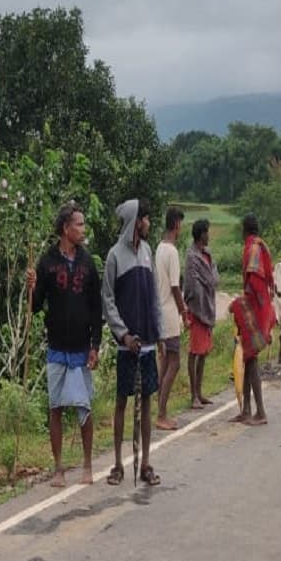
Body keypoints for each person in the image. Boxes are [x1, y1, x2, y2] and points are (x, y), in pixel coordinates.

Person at [26, 202, 103, 487]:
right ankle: (58, 468)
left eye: (83, 224)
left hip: (82, 347)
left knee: (83, 407)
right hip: (57, 347)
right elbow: (33, 308)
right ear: (65, 228)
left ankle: (87, 465)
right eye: (79, 224)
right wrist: (31, 288)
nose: (83, 229)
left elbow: (96, 307)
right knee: (55, 406)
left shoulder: (87, 263)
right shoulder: (46, 262)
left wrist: (96, 344)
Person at [101, 199, 162, 486]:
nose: (149, 223)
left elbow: (154, 296)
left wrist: (158, 332)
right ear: (136, 221)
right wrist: (123, 333)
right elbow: (108, 300)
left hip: (148, 341)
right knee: (122, 402)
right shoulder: (114, 256)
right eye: (146, 218)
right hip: (127, 344)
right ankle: (117, 464)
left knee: (147, 401)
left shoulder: (148, 252)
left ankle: (146, 463)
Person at [229, 214, 274, 426]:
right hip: (261, 308)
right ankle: (246, 409)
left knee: (252, 359)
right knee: (247, 357)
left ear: (244, 230)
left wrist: (245, 306)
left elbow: (255, 284)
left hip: (255, 311)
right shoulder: (260, 245)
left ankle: (261, 412)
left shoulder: (252, 248)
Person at [154, 207, 189, 430]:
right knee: (174, 363)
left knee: (164, 362)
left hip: (160, 312)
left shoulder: (158, 248)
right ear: (176, 224)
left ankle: (160, 410)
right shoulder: (173, 252)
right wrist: (184, 313)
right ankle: (161, 413)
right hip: (169, 314)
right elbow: (176, 287)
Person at [183, 218, 220, 410]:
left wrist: (207, 291)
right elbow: (191, 286)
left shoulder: (208, 255)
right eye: (207, 232)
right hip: (197, 311)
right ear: (200, 235)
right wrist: (198, 304)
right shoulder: (191, 257)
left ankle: (199, 391)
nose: (209, 235)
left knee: (204, 352)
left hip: (208, 308)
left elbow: (214, 278)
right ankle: (193, 395)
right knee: (194, 351)